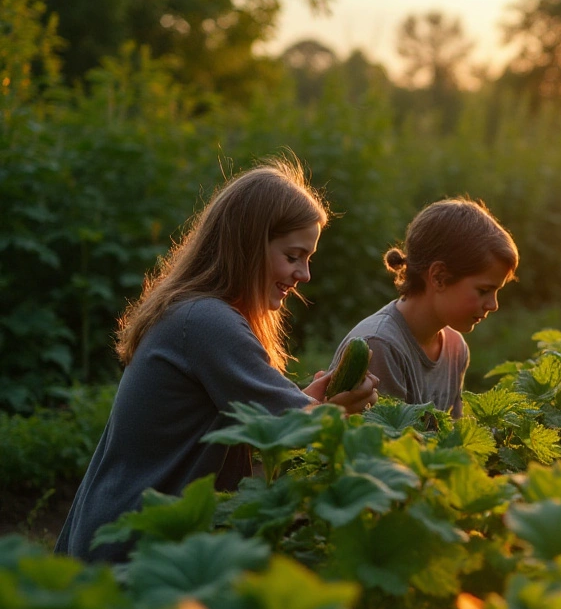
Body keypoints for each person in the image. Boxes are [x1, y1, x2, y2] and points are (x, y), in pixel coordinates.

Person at [56, 156, 379, 563]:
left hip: (126, 534)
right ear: (248, 246)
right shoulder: (207, 322)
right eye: (294, 255)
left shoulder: (197, 313)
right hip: (134, 550)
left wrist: (309, 402)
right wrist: (336, 411)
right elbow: (290, 431)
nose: (305, 274)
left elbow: (264, 420)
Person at [330, 197, 517, 417]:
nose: (493, 305)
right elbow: (381, 446)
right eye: (484, 290)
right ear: (438, 277)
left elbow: (453, 438)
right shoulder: (380, 346)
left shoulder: (456, 348)